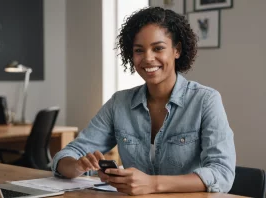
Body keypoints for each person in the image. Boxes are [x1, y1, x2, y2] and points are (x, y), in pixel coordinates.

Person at [52, 7, 236, 195]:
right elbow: (65, 156)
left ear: (177, 50)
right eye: (139, 50)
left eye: (158, 48)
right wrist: (77, 166)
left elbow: (222, 172)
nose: (148, 58)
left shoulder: (205, 100)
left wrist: (153, 184)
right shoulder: (119, 103)